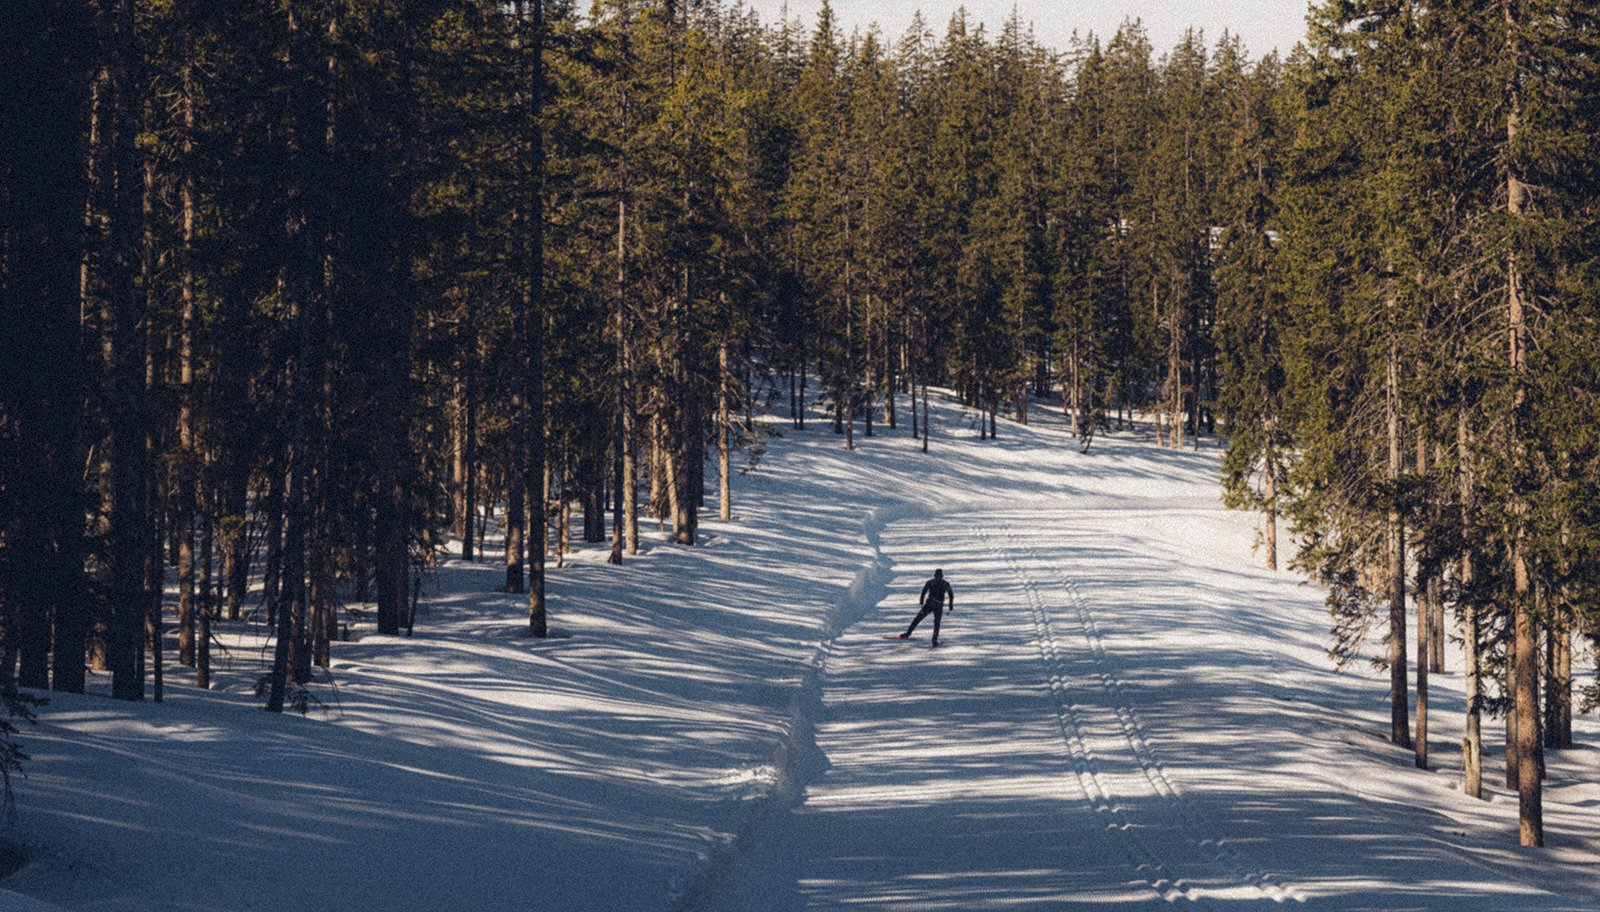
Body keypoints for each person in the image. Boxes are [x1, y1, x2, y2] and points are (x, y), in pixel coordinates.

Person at [898, 569, 954, 647]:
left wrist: (921, 600)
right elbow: (951, 594)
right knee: (936, 623)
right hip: (938, 605)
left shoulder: (930, 582)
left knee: (918, 619)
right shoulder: (945, 584)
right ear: (942, 576)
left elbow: (924, 591)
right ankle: (934, 641)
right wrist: (950, 605)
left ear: (934, 575)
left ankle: (908, 633)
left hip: (929, 604)